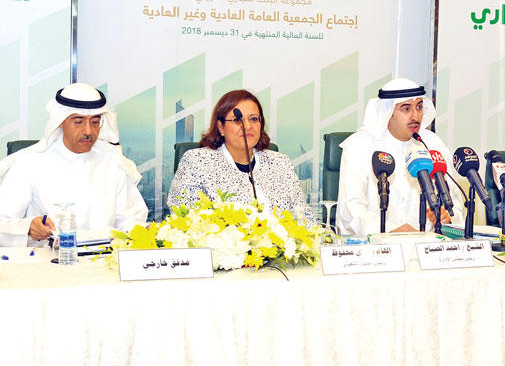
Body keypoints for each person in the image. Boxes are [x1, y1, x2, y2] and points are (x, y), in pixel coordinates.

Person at [0, 82, 148, 247]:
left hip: (103, 259)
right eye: (78, 122)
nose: (88, 131)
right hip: (46, 259)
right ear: (61, 121)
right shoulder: (29, 162)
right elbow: (2, 221)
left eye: (95, 122)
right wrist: (27, 228)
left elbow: (132, 219)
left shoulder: (114, 162)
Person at [337, 77, 465, 235]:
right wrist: (392, 231)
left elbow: (455, 203)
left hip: (427, 243)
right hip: (377, 244)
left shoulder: (432, 143)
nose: (415, 116)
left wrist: (448, 217)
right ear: (388, 112)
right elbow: (350, 209)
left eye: (419, 107)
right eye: (406, 109)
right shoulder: (359, 145)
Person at [167, 89, 313, 220]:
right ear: (221, 127)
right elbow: (184, 218)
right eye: (237, 120)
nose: (247, 126)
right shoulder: (197, 162)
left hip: (283, 242)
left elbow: (305, 216)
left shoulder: (280, 163)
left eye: (254, 119)